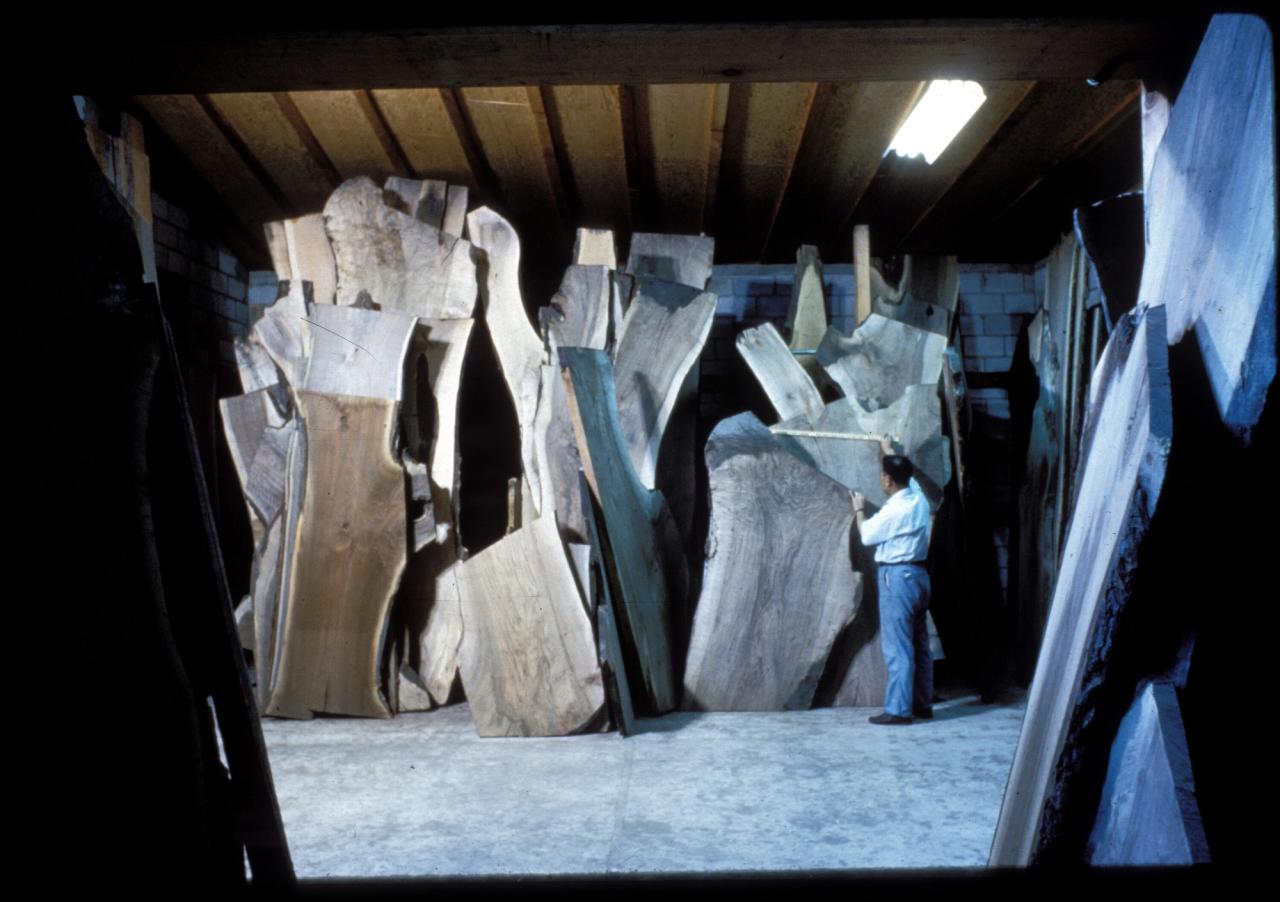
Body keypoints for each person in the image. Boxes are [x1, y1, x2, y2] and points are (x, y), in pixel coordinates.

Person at [850, 441, 934, 726]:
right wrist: (889, 451)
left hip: (897, 578)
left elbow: (867, 536)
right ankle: (922, 703)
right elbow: (912, 482)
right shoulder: (918, 500)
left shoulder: (893, 511)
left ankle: (899, 710)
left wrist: (859, 510)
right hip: (920, 578)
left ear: (887, 480)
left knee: (898, 645)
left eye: (882, 476)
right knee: (920, 643)